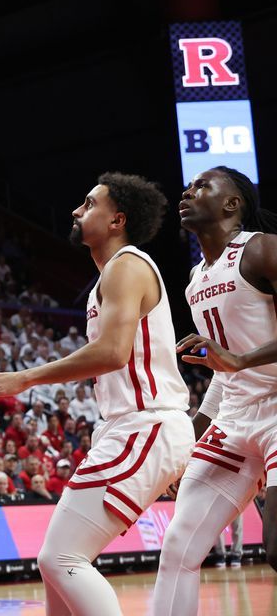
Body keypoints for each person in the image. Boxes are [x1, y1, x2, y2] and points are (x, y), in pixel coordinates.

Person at [0, 173, 194, 616]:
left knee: (60, 558)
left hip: (144, 425)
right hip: (132, 427)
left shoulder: (128, 265)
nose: (77, 210)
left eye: (89, 203)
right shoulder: (109, 277)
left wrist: (26, 378)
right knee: (58, 565)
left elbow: (112, 352)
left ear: (117, 220)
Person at [153, 167, 277, 614]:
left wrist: (238, 359)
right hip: (236, 416)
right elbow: (223, 374)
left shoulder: (263, 248)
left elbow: (232, 360)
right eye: (188, 185)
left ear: (232, 204)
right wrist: (188, 438)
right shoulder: (194, 280)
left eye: (202, 185)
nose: (188, 191)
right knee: (178, 547)